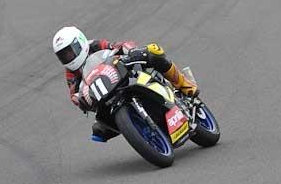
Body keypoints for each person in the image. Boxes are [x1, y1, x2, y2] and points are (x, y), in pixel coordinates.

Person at [52, 25, 198, 142]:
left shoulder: (95, 45)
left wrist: (130, 50)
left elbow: (118, 45)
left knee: (153, 51)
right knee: (98, 130)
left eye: (69, 52)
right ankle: (140, 128)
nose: (68, 57)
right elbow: (74, 93)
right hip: (107, 97)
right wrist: (80, 100)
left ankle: (184, 84)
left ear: (80, 43)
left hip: (124, 74)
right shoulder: (71, 72)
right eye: (63, 56)